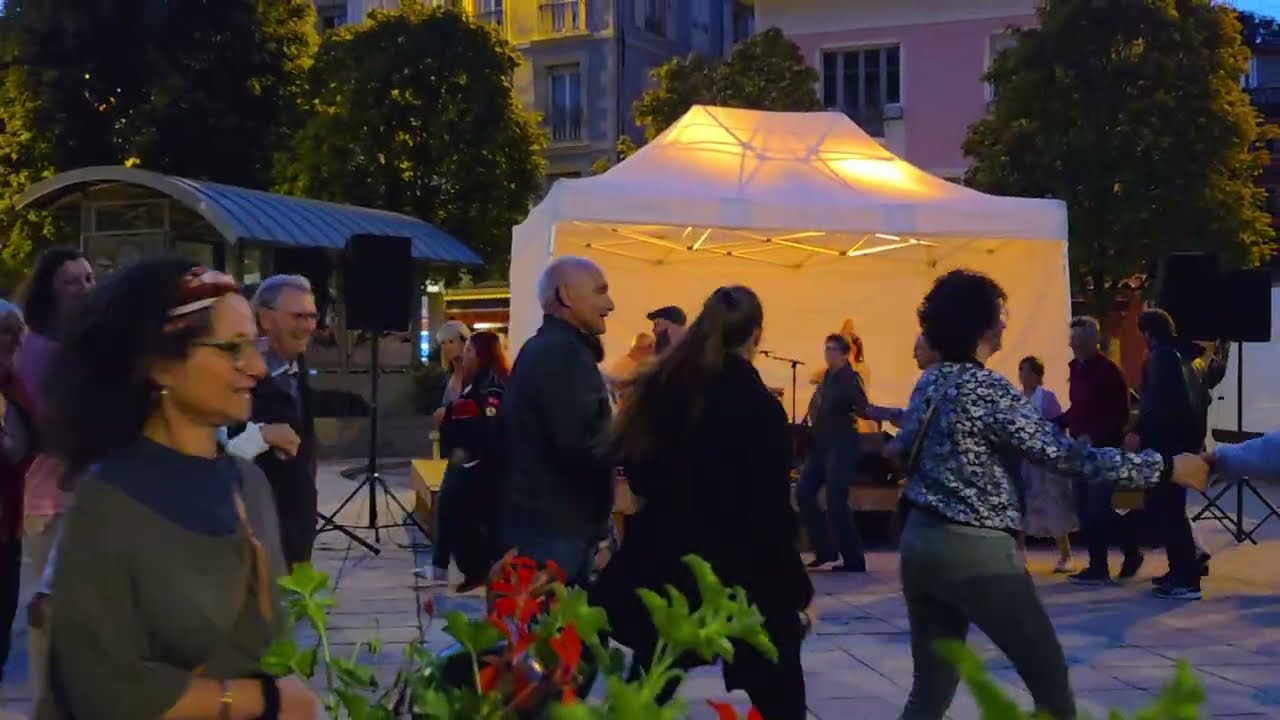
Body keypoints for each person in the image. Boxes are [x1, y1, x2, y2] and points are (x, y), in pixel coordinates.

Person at [890, 270, 1175, 720]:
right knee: (1050, 685)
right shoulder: (988, 389)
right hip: (976, 552)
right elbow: (1063, 455)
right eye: (1000, 312)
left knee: (929, 691)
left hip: (920, 543)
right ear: (982, 324)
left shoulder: (931, 381)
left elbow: (904, 446)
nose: (1006, 320)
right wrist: (1164, 467)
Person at [42, 259, 318, 718]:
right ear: (162, 365)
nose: (256, 367)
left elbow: (264, 646)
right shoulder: (108, 502)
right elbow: (98, 688)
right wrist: (261, 700)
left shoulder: (248, 483)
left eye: (254, 345)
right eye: (232, 348)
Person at [593, 285, 814, 720]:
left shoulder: (666, 392)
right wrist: (792, 584)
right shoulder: (758, 407)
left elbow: (640, 476)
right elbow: (770, 510)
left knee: (649, 686)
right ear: (756, 335)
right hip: (746, 570)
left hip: (670, 560)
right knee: (780, 697)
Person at [502, 256, 615, 586]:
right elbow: (579, 444)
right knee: (554, 618)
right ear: (565, 295)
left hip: (552, 526)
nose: (610, 304)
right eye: (600, 292)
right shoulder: (560, 353)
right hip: (556, 531)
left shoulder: (552, 349)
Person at [13, 247, 94, 705]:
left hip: (82, 491)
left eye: (88, 278)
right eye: (71, 281)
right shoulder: (40, 352)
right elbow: (50, 428)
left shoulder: (80, 345)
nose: (84, 288)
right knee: (51, 606)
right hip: (51, 498)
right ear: (49, 292)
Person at [226, 274, 319, 569]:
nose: (308, 326)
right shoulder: (234, 377)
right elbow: (213, 457)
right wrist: (261, 436)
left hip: (296, 534)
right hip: (252, 537)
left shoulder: (297, 366)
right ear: (266, 319)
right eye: (298, 316)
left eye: (312, 316)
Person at [1056, 316, 1142, 586]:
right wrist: (1057, 422)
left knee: (1101, 508)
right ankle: (1102, 563)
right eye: (1072, 339)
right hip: (1080, 451)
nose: (1073, 344)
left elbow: (1119, 413)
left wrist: (1093, 436)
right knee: (1085, 508)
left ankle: (1122, 555)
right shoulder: (1076, 369)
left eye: (1079, 339)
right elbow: (1078, 408)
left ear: (1093, 341)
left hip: (1103, 450)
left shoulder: (1108, 371)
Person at [1128, 309, 1206, 601]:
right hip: (1183, 445)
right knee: (1172, 510)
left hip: (1166, 447)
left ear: (1148, 334)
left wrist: (1138, 430)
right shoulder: (1187, 358)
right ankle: (1180, 570)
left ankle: (1186, 578)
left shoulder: (1161, 358)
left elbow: (1156, 404)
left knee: (1169, 512)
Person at [434, 331, 509, 592]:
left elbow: (486, 424)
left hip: (482, 465)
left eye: (469, 350)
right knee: (457, 514)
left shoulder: (491, 387)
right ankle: (471, 570)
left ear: (481, 355)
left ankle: (481, 571)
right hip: (472, 462)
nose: (464, 355)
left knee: (469, 518)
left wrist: (449, 417)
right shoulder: (472, 382)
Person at [797, 333, 868, 572]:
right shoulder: (826, 377)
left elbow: (863, 407)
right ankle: (825, 549)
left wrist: (888, 414)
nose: (827, 354)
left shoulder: (850, 378)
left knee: (835, 499)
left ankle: (854, 559)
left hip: (841, 443)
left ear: (845, 354)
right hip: (820, 444)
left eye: (832, 349)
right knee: (804, 492)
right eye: (826, 349)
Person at [415, 320, 472, 583]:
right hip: (455, 449)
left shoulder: (473, 374)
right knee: (447, 507)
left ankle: (444, 565)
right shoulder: (452, 376)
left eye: (452, 341)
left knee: (449, 505)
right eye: (444, 343)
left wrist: (447, 414)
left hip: (470, 452)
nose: (448, 348)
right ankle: (442, 564)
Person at [1016, 356, 1078, 573]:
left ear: (1037, 375)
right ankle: (1019, 553)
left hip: (1045, 462)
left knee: (1054, 505)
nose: (1022, 376)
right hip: (1024, 461)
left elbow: (1057, 428)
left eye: (1027, 371)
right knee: (1022, 507)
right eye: (1020, 371)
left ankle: (1066, 555)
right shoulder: (1017, 399)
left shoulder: (1046, 397)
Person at [0, 299, 35, 680]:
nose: (10, 343)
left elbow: (27, 443)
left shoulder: (14, 385)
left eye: (14, 335)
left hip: (8, 523)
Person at [866, 333, 938, 428]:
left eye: (918, 349)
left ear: (932, 350)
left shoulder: (932, 378)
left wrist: (877, 412)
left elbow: (913, 420)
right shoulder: (948, 375)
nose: (914, 356)